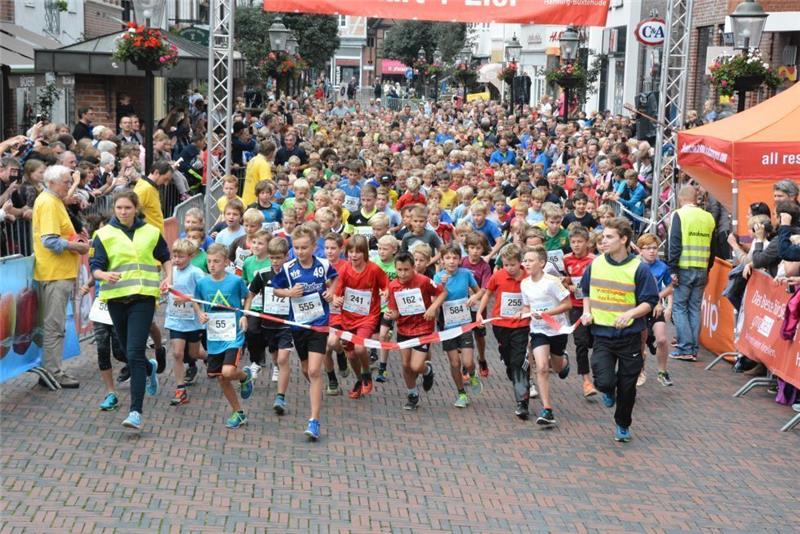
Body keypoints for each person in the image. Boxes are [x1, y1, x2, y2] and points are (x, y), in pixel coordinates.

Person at [90, 190, 172, 430]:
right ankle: (150, 368)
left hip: (143, 298)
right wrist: (103, 274)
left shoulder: (150, 232)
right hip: (116, 299)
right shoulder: (103, 235)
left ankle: (135, 411)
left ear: (136, 208)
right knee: (127, 352)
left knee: (134, 351)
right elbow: (95, 266)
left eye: (127, 208)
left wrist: (169, 276)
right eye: (119, 208)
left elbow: (165, 257)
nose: (123, 212)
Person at [580, 217, 659, 442]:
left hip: (630, 337)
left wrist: (629, 314)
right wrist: (587, 311)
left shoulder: (639, 268)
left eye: (609, 237)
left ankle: (623, 424)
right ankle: (608, 390)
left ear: (623, 239)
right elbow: (586, 290)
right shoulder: (595, 264)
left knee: (627, 386)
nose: (603, 240)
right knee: (604, 382)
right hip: (602, 334)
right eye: (603, 236)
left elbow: (649, 301)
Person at [272, 225, 338, 441]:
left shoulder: (323, 265)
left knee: (314, 371)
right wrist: (288, 293)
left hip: (319, 324)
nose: (300, 252)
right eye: (297, 248)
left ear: (313, 246)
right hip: (298, 325)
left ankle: (314, 421)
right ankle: (316, 391)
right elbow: (276, 289)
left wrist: (331, 291)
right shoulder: (289, 268)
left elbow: (335, 279)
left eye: (304, 248)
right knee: (305, 368)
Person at [32, 164, 90, 389]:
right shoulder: (48, 203)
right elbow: (50, 241)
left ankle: (51, 369)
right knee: (54, 325)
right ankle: (53, 372)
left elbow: (57, 235)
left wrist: (75, 238)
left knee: (56, 324)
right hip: (54, 273)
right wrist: (77, 247)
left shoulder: (53, 201)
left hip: (59, 271)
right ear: (53, 182)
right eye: (67, 181)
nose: (70, 185)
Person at [193, 244, 255, 429]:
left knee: (228, 372)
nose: (212, 265)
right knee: (221, 377)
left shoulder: (235, 281)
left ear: (226, 262)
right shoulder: (203, 283)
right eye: (209, 261)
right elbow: (196, 301)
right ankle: (238, 412)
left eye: (216, 261)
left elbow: (248, 296)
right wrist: (199, 314)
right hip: (214, 336)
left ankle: (245, 376)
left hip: (233, 335)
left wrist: (245, 315)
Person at [385, 251, 446, 410]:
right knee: (406, 365)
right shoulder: (393, 286)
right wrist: (391, 314)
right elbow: (395, 311)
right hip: (404, 329)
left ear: (413, 268)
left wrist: (433, 308)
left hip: (423, 328)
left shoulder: (424, 281)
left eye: (406, 269)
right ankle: (412, 394)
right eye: (399, 270)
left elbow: (442, 293)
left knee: (416, 366)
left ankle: (427, 371)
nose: (403, 273)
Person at [476, 244, 531, 419]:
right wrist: (479, 312)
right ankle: (511, 367)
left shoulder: (529, 278)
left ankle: (522, 403)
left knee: (518, 361)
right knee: (509, 360)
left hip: (521, 326)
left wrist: (526, 309)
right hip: (500, 325)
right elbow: (487, 293)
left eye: (513, 265)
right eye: (506, 265)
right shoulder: (498, 275)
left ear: (520, 262)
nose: (509, 268)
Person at [520, 245, 572, 426]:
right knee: (541, 368)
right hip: (538, 330)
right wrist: (524, 313)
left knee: (557, 368)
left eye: (530, 260)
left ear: (541, 263)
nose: (526, 263)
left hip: (557, 329)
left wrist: (548, 313)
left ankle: (564, 361)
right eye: (525, 260)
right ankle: (547, 410)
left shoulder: (552, 282)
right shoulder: (524, 283)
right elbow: (527, 306)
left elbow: (568, 304)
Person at [332, 235, 389, 399]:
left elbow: (386, 285)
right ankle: (359, 380)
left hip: (368, 317)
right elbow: (337, 292)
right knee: (350, 355)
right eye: (351, 252)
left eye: (358, 252)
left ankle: (366, 374)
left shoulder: (374, 269)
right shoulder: (344, 269)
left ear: (365, 253)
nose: (354, 255)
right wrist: (336, 299)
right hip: (348, 317)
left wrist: (385, 292)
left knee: (359, 348)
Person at [245, 236, 295, 414]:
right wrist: (246, 314)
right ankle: (276, 368)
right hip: (268, 325)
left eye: (278, 257)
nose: (275, 262)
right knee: (275, 358)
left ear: (286, 256)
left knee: (283, 360)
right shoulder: (262, 274)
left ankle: (280, 398)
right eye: (272, 257)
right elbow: (250, 294)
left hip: (287, 325)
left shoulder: (292, 274)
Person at [667, 185, 715, 362]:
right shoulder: (708, 217)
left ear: (681, 198)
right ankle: (692, 348)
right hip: (702, 267)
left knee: (680, 308)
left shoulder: (679, 215)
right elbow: (713, 246)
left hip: (683, 267)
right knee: (694, 308)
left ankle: (685, 347)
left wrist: (672, 269)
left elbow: (675, 243)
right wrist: (708, 268)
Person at [434, 244, 483, 408]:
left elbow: (480, 291)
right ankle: (461, 393)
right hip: (447, 327)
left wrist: (474, 297)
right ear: (441, 261)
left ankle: (472, 373)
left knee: (467, 362)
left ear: (459, 260)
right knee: (455, 363)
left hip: (464, 324)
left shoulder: (465, 274)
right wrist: (441, 286)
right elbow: (434, 302)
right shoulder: (437, 277)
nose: (452, 261)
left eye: (455, 257)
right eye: (447, 258)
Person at [165, 238, 206, 406]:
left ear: (190, 256)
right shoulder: (171, 271)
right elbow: (166, 286)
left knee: (194, 354)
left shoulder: (196, 272)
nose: (176, 260)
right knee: (177, 353)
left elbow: (205, 294)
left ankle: (210, 358)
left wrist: (189, 298)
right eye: (174, 256)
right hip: (175, 319)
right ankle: (180, 390)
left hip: (193, 320)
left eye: (180, 256)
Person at [562, 225, 597, 397]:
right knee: (581, 343)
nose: (576, 245)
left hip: (595, 307)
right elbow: (565, 280)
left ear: (587, 243)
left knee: (596, 343)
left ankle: (601, 373)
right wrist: (568, 285)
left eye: (580, 242)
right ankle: (586, 381)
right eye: (573, 242)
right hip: (576, 307)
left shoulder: (594, 261)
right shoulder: (566, 260)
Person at [637, 233, 674, 387]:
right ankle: (639, 370)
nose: (652, 251)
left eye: (655, 248)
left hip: (656, 307)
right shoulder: (635, 265)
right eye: (648, 248)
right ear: (640, 251)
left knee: (662, 339)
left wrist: (658, 299)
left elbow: (671, 287)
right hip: (638, 308)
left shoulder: (662, 267)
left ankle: (662, 372)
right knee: (639, 342)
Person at [242, 140, 275, 206]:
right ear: (271, 152)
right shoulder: (264, 164)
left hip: (246, 199)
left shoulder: (253, 160)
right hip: (256, 202)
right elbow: (266, 185)